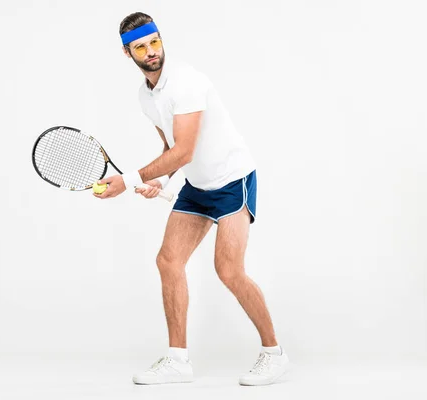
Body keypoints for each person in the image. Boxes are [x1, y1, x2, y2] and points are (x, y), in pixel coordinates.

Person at [94, 11, 289, 386]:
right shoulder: (146, 96)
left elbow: (183, 151)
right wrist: (160, 182)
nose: (151, 51)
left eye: (154, 42)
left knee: (228, 270)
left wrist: (129, 179)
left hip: (233, 180)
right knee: (168, 261)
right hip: (197, 188)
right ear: (127, 53)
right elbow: (171, 149)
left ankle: (274, 353)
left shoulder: (186, 82)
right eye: (141, 47)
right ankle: (178, 360)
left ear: (161, 39)